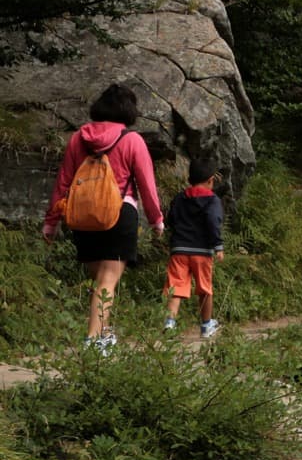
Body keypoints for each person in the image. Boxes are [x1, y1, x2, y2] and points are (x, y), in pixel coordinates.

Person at [42, 83, 166, 351]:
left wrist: (51, 223)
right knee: (108, 281)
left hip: (83, 216)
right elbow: (146, 184)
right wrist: (157, 220)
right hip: (119, 213)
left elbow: (63, 182)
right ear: (128, 110)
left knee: (100, 281)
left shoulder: (78, 138)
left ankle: (105, 335)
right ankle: (92, 341)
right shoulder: (132, 140)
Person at [163, 158, 224, 336]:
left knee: (176, 287)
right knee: (205, 288)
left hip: (179, 250)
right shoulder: (212, 200)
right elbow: (214, 222)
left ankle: (170, 322)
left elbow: (171, 219)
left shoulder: (180, 197)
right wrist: (218, 245)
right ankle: (206, 325)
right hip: (202, 252)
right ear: (210, 180)